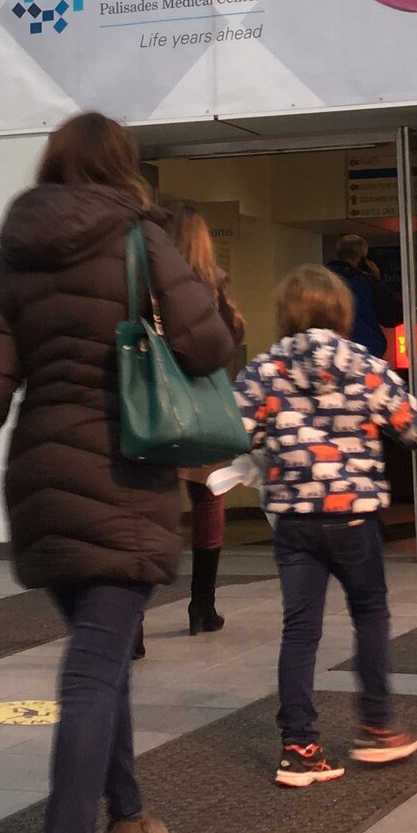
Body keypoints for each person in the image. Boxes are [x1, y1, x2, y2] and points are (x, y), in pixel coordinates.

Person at [0, 112, 231, 833]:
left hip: (41, 488)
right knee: (93, 674)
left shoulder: (16, 258)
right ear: (122, 165)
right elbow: (207, 347)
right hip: (122, 479)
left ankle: (129, 820)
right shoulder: (140, 238)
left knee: (106, 659)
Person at [236, 266, 417, 787]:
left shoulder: (264, 369)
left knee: (299, 630)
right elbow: (412, 422)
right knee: (369, 614)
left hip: (294, 520)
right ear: (342, 312)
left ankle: (298, 747)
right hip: (353, 515)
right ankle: (378, 727)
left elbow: (236, 429)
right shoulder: (362, 363)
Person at [161, 203, 245, 636]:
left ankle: (132, 623)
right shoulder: (212, 287)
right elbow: (231, 338)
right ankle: (202, 606)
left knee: (151, 502)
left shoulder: (144, 281)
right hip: (201, 402)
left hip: (155, 402)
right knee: (209, 498)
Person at [327, 232, 390, 356]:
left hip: (330, 350)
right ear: (363, 258)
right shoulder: (367, 282)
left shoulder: (321, 280)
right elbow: (390, 316)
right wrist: (377, 280)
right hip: (364, 350)